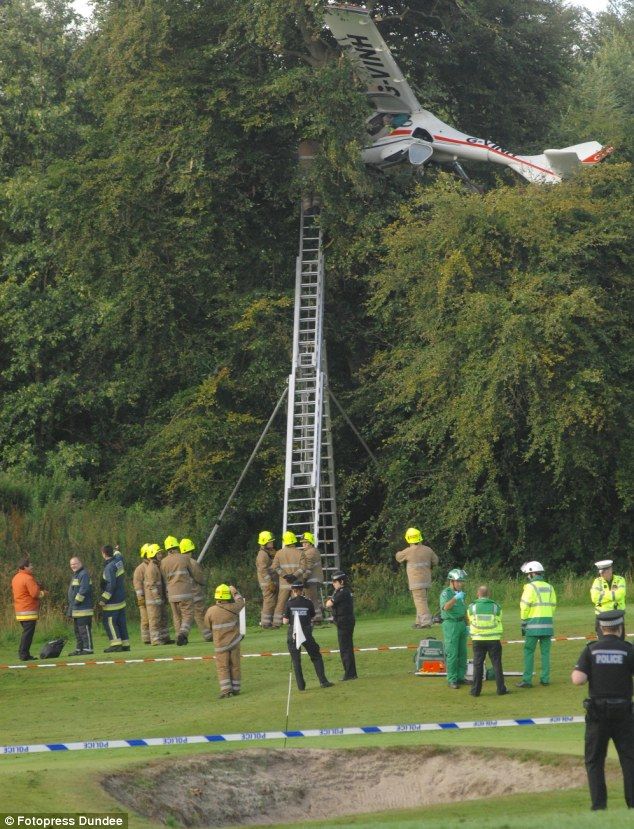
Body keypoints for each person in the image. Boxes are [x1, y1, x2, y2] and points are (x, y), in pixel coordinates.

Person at [571, 610, 634, 811]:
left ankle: (599, 805)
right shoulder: (628, 650)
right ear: (620, 627)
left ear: (600, 628)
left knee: (594, 760)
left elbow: (577, 679)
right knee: (629, 759)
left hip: (597, 714)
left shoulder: (591, 650)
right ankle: (632, 804)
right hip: (624, 712)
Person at [283, 578, 333, 691]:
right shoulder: (308, 602)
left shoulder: (289, 603)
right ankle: (323, 681)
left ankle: (301, 687)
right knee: (316, 656)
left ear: (293, 590)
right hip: (306, 632)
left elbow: (285, 621)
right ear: (302, 590)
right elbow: (312, 616)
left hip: (293, 633)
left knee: (296, 660)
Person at [517, 561, 557, 688]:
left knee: (529, 652)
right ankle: (545, 679)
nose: (528, 576)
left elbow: (524, 606)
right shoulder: (550, 587)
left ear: (532, 573)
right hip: (548, 624)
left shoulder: (529, 587)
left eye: (528, 574)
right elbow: (553, 606)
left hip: (533, 625)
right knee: (546, 653)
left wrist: (524, 622)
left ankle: (527, 680)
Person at [204, 583, 245, 699]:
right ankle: (236, 689)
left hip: (220, 645)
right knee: (235, 666)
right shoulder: (234, 607)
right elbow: (241, 602)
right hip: (234, 643)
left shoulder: (211, 611)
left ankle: (226, 690)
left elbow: (207, 627)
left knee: (223, 667)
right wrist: (235, 592)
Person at [467, 585, 508, 697]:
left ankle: (475, 691)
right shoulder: (496, 607)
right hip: (493, 639)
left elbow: (470, 619)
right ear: (488, 594)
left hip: (478, 639)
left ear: (478, 594)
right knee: (497, 664)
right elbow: (499, 619)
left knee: (478, 665)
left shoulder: (472, 607)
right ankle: (501, 689)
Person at [395, 527, 439, 628]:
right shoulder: (428, 550)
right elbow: (436, 561)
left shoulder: (408, 551)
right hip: (426, 580)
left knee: (420, 601)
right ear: (419, 537)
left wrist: (398, 552)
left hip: (415, 582)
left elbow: (398, 557)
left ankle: (426, 622)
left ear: (408, 539)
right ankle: (418, 622)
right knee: (421, 600)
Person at [160, 534, 198, 645]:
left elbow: (164, 578)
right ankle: (183, 633)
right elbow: (193, 574)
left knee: (176, 616)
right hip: (185, 592)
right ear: (177, 546)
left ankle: (179, 637)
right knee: (188, 615)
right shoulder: (184, 558)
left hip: (171, 594)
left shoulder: (163, 562)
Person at [11, 558, 47, 661]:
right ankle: (24, 655)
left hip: (20, 611)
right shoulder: (28, 578)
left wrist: (36, 586)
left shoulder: (16, 577)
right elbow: (35, 594)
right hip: (29, 610)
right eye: (30, 565)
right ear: (25, 567)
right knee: (28, 635)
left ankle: (23, 653)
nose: (32, 567)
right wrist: (44, 592)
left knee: (26, 633)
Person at [325, 570, 357, 680]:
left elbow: (329, 604)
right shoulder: (344, 591)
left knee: (345, 648)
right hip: (346, 621)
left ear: (341, 581)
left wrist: (330, 599)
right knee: (347, 647)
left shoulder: (341, 592)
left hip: (344, 622)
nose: (333, 583)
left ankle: (349, 673)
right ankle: (352, 673)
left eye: (335, 581)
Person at [439, 568, 468, 689]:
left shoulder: (460, 593)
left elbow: (463, 610)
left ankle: (461, 677)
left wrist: (467, 625)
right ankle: (452, 679)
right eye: (458, 581)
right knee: (452, 653)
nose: (461, 583)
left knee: (463, 653)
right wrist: (456, 598)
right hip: (451, 625)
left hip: (461, 623)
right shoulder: (447, 593)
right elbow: (446, 607)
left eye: (461, 581)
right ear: (452, 581)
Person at [98, 544, 129, 653]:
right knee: (121, 623)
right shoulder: (118, 560)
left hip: (112, 601)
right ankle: (125, 644)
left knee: (110, 622)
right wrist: (116, 550)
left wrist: (103, 599)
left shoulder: (109, 567)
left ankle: (116, 645)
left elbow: (111, 585)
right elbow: (118, 554)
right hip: (121, 599)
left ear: (103, 554)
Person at [179, 538, 211, 641]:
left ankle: (182, 636)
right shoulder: (192, 562)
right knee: (200, 614)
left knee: (185, 616)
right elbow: (199, 578)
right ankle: (208, 635)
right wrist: (203, 583)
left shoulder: (178, 563)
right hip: (195, 593)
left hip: (183, 594)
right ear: (191, 549)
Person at [271, 531, 306, 628]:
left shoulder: (279, 553)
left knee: (281, 603)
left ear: (284, 541)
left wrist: (285, 576)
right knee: (298, 602)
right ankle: (298, 622)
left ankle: (276, 623)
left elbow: (275, 567)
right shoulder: (301, 553)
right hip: (296, 583)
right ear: (294, 541)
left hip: (284, 583)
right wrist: (294, 576)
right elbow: (303, 568)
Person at [144, 544, 173, 645]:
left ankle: (165, 638)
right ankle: (156, 640)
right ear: (153, 554)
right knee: (155, 619)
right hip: (153, 600)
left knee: (163, 618)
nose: (161, 555)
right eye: (158, 553)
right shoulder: (152, 568)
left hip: (159, 598)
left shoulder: (157, 566)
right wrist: (157, 598)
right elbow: (152, 585)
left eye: (160, 553)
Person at [591, 560, 626, 639]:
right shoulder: (597, 581)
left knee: (619, 643)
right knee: (602, 643)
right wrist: (612, 594)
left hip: (617, 615)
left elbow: (619, 595)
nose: (601, 574)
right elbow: (594, 598)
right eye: (600, 572)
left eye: (603, 572)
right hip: (602, 616)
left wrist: (603, 594)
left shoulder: (620, 580)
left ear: (610, 570)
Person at [67, 556, 94, 656]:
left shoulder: (83, 574)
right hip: (76, 609)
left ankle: (88, 649)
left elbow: (84, 590)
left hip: (83, 608)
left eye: (75, 563)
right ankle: (79, 649)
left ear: (80, 563)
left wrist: (76, 602)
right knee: (77, 631)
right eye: (71, 564)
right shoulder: (76, 575)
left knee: (84, 630)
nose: (73, 566)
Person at [255, 530, 278, 628]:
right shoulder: (262, 555)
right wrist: (270, 582)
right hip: (267, 583)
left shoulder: (267, 553)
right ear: (265, 543)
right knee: (269, 601)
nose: (272, 543)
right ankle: (265, 623)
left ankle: (269, 622)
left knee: (271, 602)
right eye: (270, 542)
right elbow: (263, 570)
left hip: (270, 582)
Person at [301, 532, 324, 623]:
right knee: (313, 598)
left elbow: (308, 567)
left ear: (310, 542)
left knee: (311, 599)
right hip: (314, 579)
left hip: (311, 579)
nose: (303, 544)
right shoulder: (312, 551)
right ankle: (317, 617)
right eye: (303, 542)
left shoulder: (310, 552)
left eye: (306, 542)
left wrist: (304, 579)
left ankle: (316, 618)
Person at [132, 544, 150, 645]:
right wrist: (141, 597)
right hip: (144, 598)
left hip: (153, 598)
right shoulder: (140, 569)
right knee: (145, 619)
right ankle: (146, 639)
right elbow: (137, 585)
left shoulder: (155, 565)